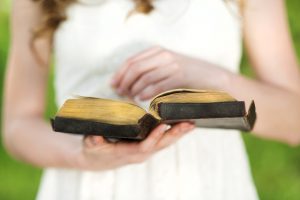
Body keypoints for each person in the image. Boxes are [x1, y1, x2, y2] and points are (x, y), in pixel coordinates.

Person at [3, 0, 300, 199]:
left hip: (207, 185)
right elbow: (18, 125)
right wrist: (82, 155)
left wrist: (210, 77)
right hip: (87, 185)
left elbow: (294, 121)